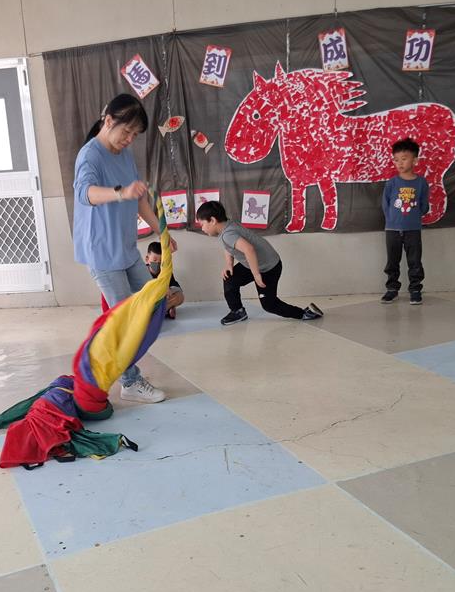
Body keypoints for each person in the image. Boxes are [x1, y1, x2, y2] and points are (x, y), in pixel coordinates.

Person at [73, 94, 173, 404]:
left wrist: (161, 231)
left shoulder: (124, 154)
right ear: (108, 121)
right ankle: (129, 381)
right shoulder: (90, 155)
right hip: (102, 252)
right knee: (125, 321)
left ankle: (120, 362)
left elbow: (139, 198)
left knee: (154, 302)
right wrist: (121, 192)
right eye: (126, 131)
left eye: (134, 135)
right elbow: (85, 194)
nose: (129, 139)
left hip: (126, 248)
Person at [195, 200, 323, 325]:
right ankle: (238, 311)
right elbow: (229, 246)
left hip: (268, 268)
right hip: (255, 263)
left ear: (212, 220)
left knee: (269, 305)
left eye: (202, 224)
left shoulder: (228, 234)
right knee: (230, 279)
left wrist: (256, 275)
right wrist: (229, 265)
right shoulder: (227, 227)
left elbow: (249, 249)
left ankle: (304, 313)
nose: (202, 229)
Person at [381, 138, 430, 304]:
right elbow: (385, 204)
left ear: (415, 160)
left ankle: (415, 289)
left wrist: (414, 216)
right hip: (392, 229)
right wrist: (392, 220)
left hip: (413, 229)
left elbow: (424, 205)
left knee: (414, 261)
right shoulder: (392, 183)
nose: (399, 163)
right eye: (396, 159)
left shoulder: (421, 182)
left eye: (404, 159)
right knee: (392, 261)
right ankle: (392, 289)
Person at [144, 241, 184, 319]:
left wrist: (170, 290)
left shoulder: (166, 271)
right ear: (147, 259)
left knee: (180, 296)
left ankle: (162, 310)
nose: (157, 263)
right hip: (149, 300)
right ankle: (165, 311)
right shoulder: (141, 272)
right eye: (154, 260)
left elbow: (176, 287)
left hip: (163, 300)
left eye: (161, 261)